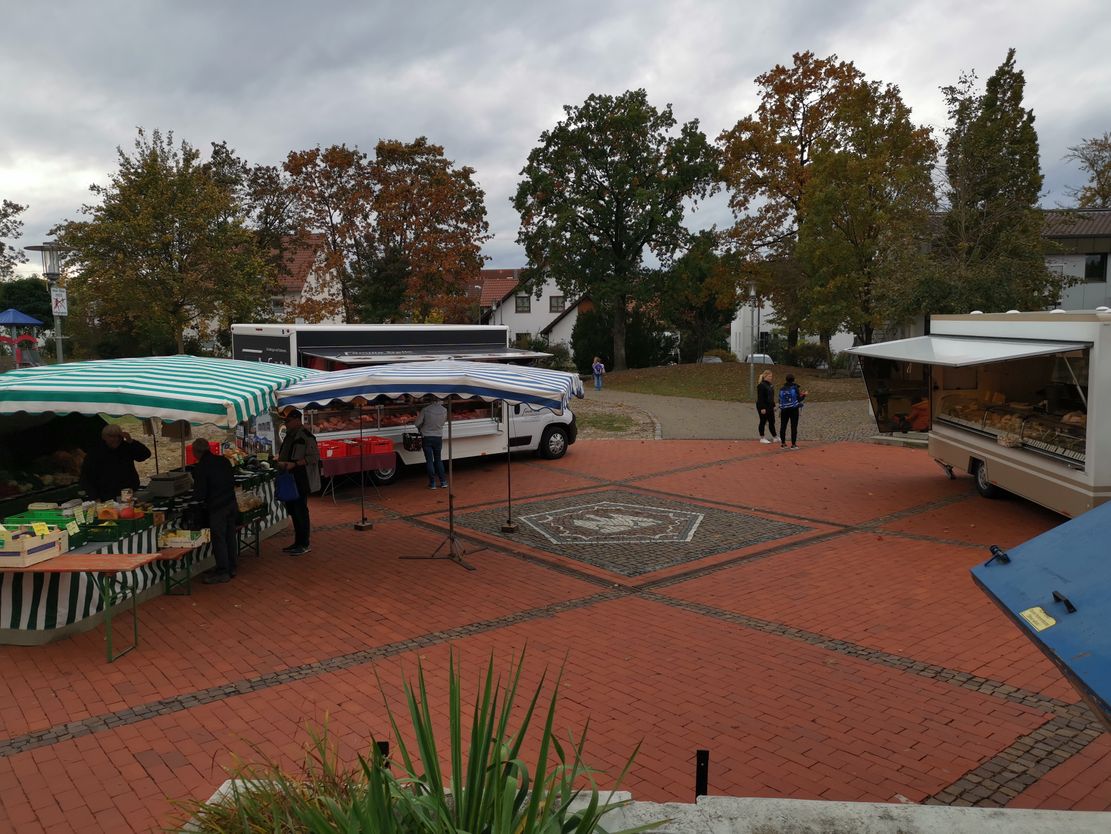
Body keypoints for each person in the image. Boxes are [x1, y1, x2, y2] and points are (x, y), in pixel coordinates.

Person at [189, 438, 239, 584]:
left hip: (217, 507)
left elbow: (200, 493)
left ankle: (223, 571)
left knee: (219, 539)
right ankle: (232, 566)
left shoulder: (201, 467)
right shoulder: (222, 460)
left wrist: (193, 496)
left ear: (197, 452)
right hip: (230, 502)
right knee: (230, 536)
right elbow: (232, 479)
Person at [79, 424, 152, 500]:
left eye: (118, 436)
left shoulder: (126, 447)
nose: (116, 439)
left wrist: (131, 441)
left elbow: (145, 454)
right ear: (104, 437)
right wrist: (94, 497)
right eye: (112, 436)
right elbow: (87, 477)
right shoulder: (95, 452)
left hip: (127, 491)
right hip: (106, 494)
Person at [276, 409, 313, 555]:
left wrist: (295, 464)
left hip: (300, 480)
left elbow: (313, 457)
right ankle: (298, 542)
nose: (286, 423)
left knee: (300, 512)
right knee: (293, 511)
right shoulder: (290, 435)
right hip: (290, 479)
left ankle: (304, 544)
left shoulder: (306, 436)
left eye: (288, 421)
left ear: (297, 420)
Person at [415, 397, 448, 489]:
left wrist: (422, 427)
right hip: (438, 436)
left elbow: (417, 423)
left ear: (431, 400)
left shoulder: (425, 409)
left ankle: (432, 483)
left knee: (429, 460)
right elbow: (443, 423)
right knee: (438, 459)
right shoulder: (444, 410)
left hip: (427, 436)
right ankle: (443, 482)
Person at [778, 374, 807, 450]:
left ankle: (783, 444)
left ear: (786, 380)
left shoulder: (782, 389)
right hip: (794, 410)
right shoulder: (795, 388)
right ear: (793, 380)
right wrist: (804, 395)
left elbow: (779, 399)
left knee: (783, 426)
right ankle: (793, 445)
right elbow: (799, 399)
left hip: (784, 410)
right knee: (793, 426)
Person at [755, 369, 777, 444]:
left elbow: (771, 396)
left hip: (770, 406)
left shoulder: (770, 385)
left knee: (772, 421)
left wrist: (773, 405)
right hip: (763, 406)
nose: (771, 377)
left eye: (771, 376)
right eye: (769, 376)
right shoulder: (761, 385)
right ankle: (762, 437)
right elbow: (760, 397)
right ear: (765, 376)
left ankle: (775, 437)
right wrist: (762, 408)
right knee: (763, 421)